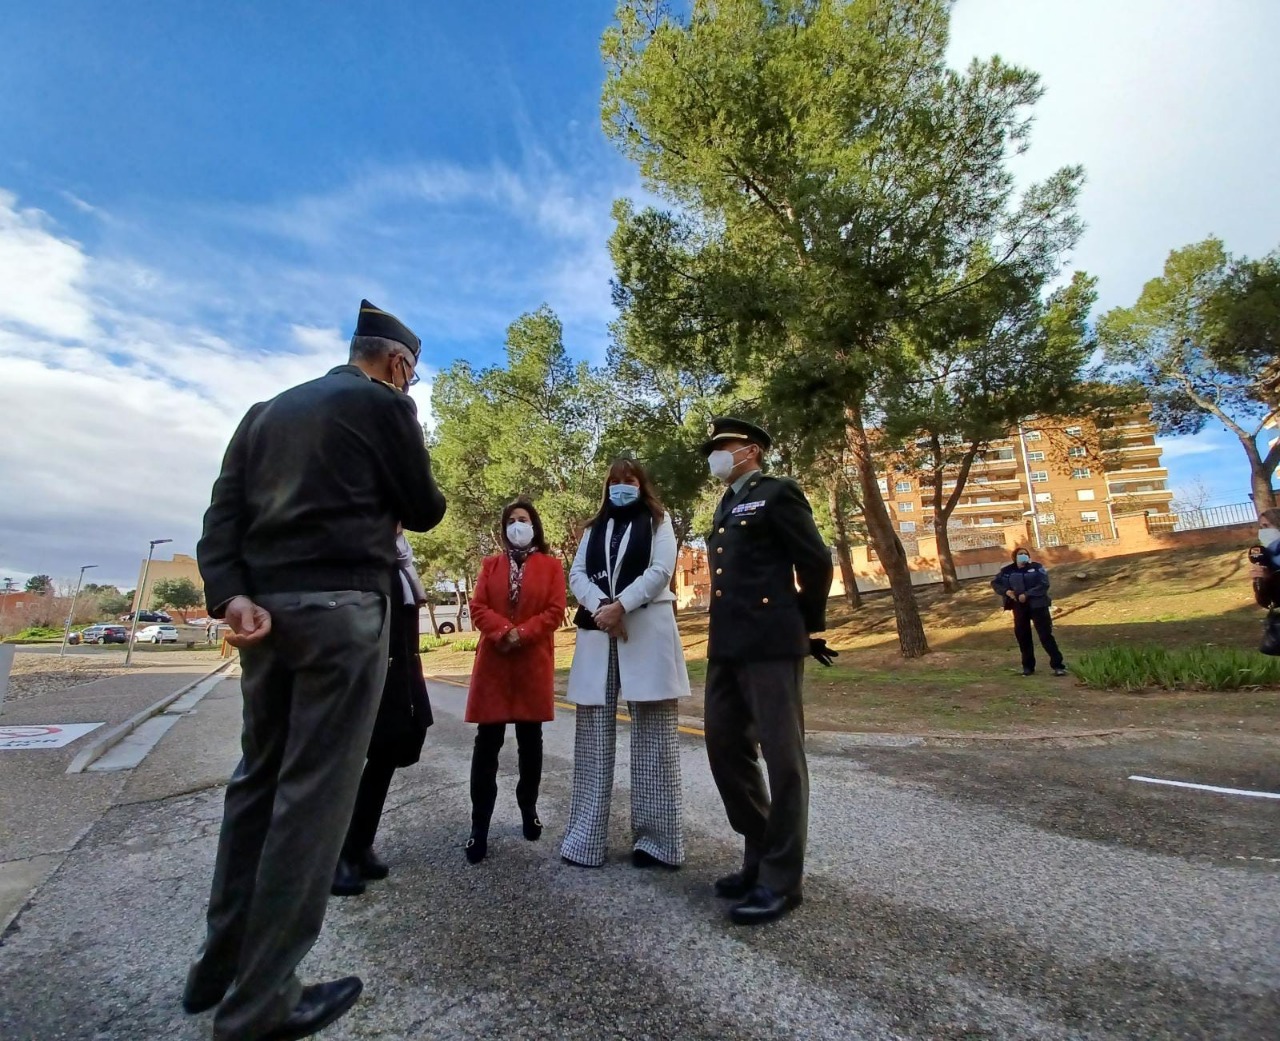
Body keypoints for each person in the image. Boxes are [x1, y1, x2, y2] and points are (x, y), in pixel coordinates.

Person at [185, 299, 446, 1041]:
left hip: (263, 616)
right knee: (312, 801)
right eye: (412, 375)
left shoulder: (266, 411)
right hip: (343, 614)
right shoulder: (383, 406)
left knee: (257, 782)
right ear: (398, 364)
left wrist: (232, 596)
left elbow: (221, 517)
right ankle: (262, 999)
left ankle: (218, 965)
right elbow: (424, 508)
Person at [700, 417, 835, 926]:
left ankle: (782, 881)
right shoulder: (726, 503)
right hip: (726, 645)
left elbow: (817, 560)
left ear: (750, 450)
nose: (714, 455)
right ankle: (759, 852)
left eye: (723, 446)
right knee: (723, 749)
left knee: (783, 761)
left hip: (772, 644)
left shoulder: (778, 492)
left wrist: (808, 624)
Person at [561, 458, 691, 870]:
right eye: (614, 481)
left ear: (641, 484)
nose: (621, 487)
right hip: (600, 631)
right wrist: (603, 607)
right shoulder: (593, 527)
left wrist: (622, 606)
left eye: (628, 480)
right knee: (592, 741)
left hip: (645, 629)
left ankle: (657, 843)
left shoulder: (658, 521)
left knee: (655, 740)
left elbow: (661, 570)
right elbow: (577, 574)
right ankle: (584, 840)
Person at [463, 498, 566, 864]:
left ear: (535, 526)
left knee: (530, 744)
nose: (517, 525)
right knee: (486, 745)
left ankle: (528, 810)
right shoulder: (490, 565)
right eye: (511, 520)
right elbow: (477, 608)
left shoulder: (551, 566)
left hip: (531, 662)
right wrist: (503, 632)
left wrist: (521, 633)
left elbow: (555, 610)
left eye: (523, 519)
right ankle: (479, 828)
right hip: (494, 662)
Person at [332, 530, 432, 897]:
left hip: (398, 671)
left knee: (386, 756)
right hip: (360, 674)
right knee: (344, 764)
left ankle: (359, 843)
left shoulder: (401, 558)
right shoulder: (359, 551)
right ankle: (334, 855)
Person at [991, 547, 1067, 676]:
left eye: (1025, 554)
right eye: (1020, 554)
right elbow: (996, 583)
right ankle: (1028, 667)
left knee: (1045, 636)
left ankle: (1058, 665)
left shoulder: (1037, 568)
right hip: (1019, 607)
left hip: (1038, 605)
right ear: (1014, 557)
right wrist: (1006, 592)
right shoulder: (1007, 571)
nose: (1023, 556)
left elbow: (1043, 584)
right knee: (1023, 637)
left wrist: (1027, 594)